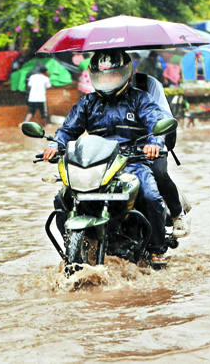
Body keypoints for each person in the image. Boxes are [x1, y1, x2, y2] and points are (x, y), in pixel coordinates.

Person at [43, 50, 170, 264]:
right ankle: (71, 245)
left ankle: (157, 250)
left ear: (126, 74)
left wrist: (154, 143)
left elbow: (155, 123)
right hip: (97, 164)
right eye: (102, 76)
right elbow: (67, 130)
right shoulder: (87, 103)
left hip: (133, 161)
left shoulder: (140, 99)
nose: (107, 81)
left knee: (150, 196)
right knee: (61, 198)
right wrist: (56, 144)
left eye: (113, 75)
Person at [134, 71, 190, 238]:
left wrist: (155, 141)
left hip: (151, 142)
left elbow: (162, 116)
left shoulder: (148, 84)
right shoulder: (98, 90)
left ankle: (177, 214)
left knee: (158, 173)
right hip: (117, 147)